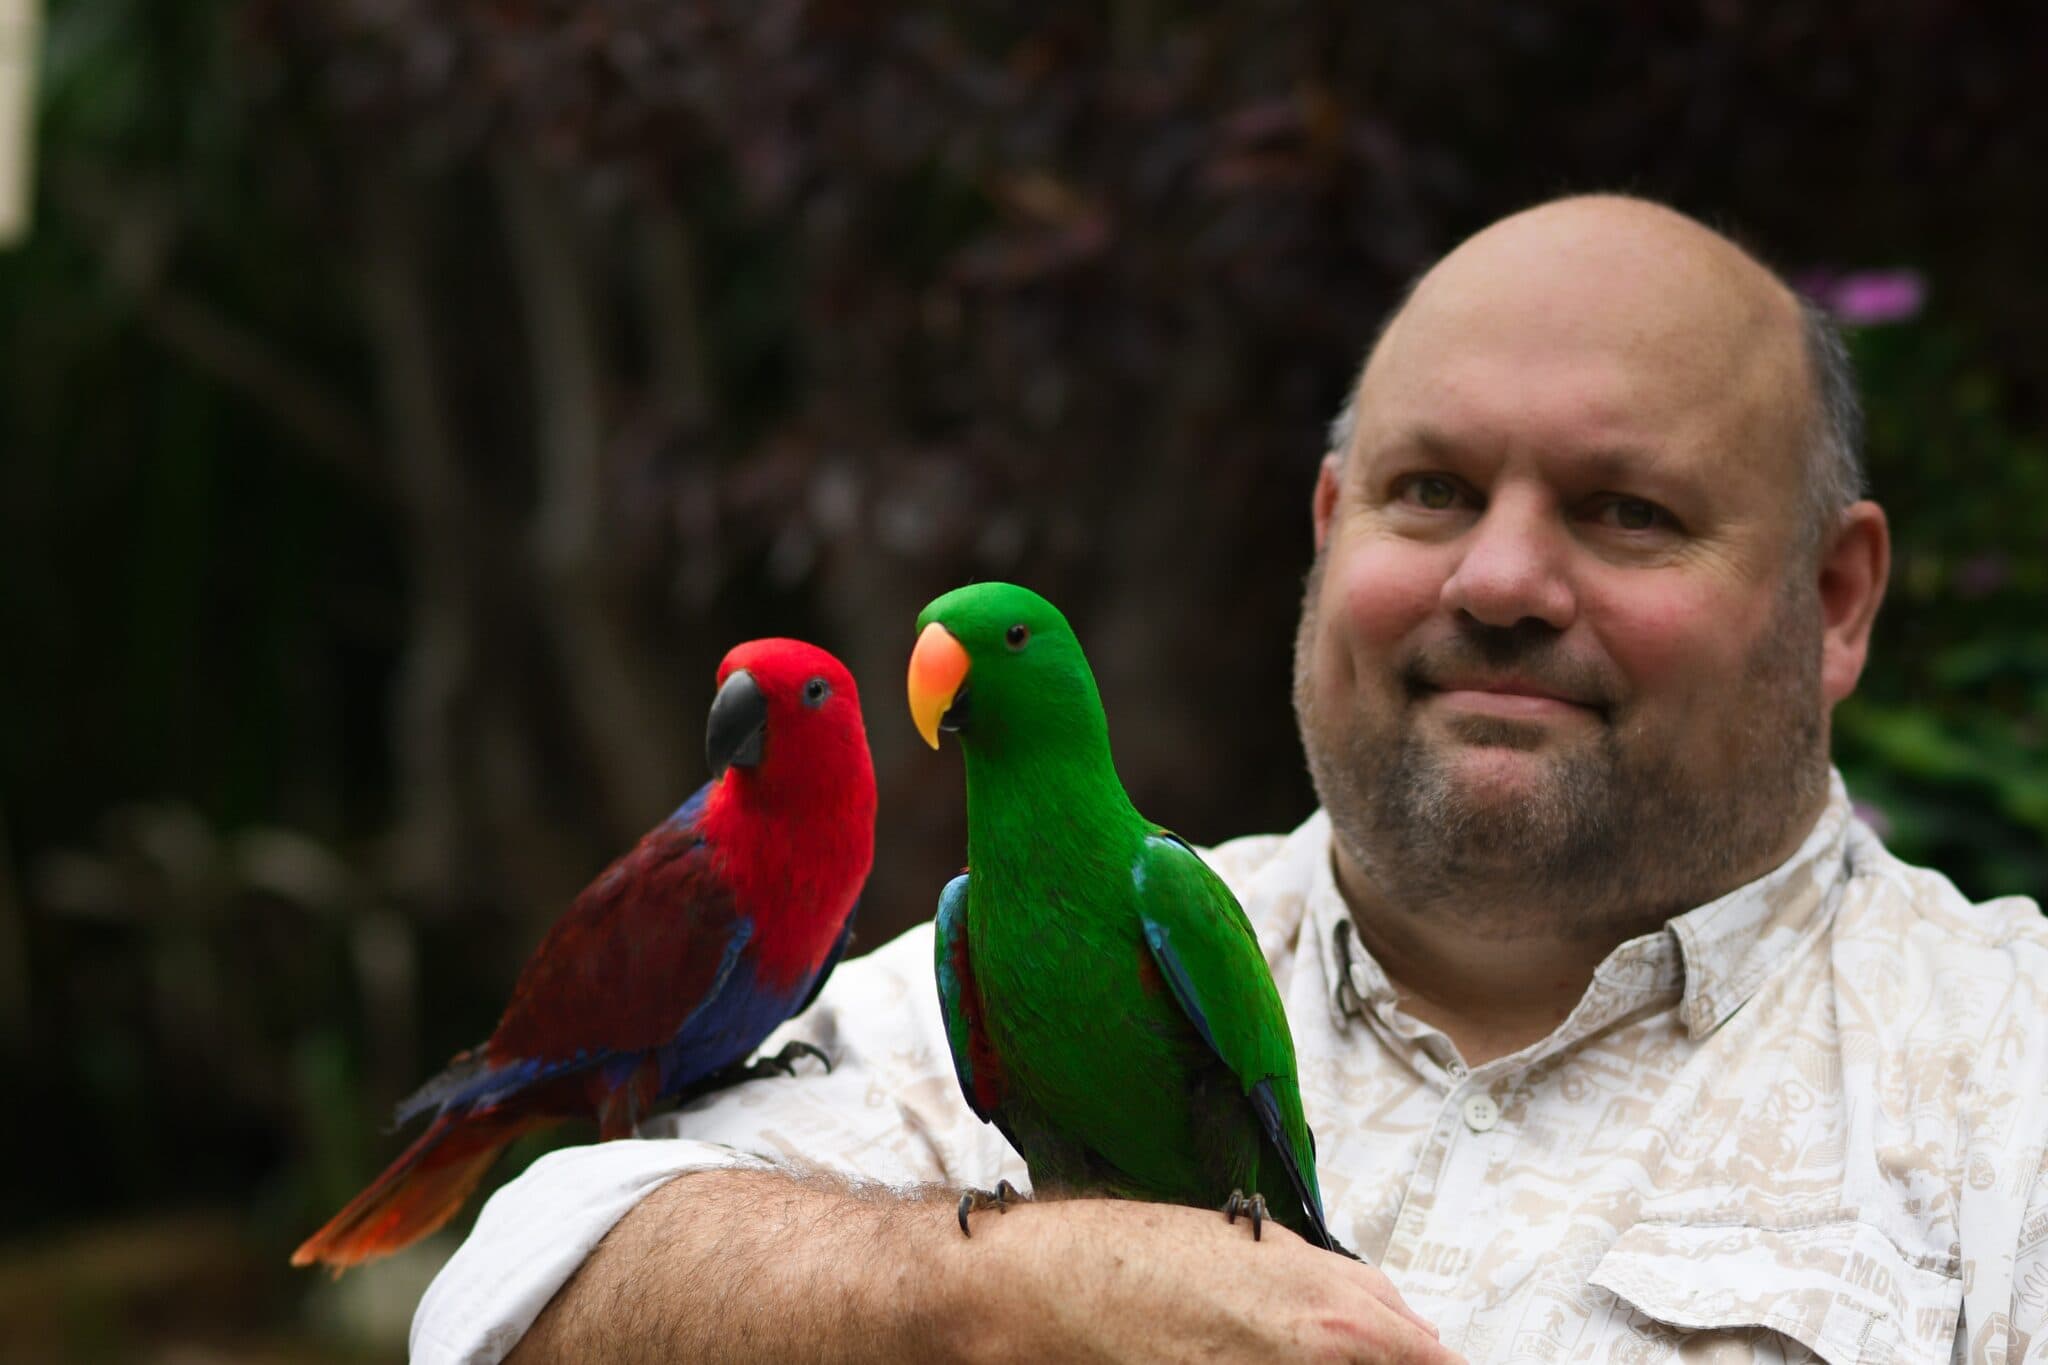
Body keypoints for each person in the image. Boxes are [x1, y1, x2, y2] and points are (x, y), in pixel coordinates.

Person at [411, 195, 2048, 1364]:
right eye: (1429, 489)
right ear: (1330, 535)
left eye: (1629, 511)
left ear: (1835, 602)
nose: (1499, 577)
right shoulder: (980, 961)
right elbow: (515, 1295)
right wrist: (984, 1300)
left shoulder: (2004, 1074)